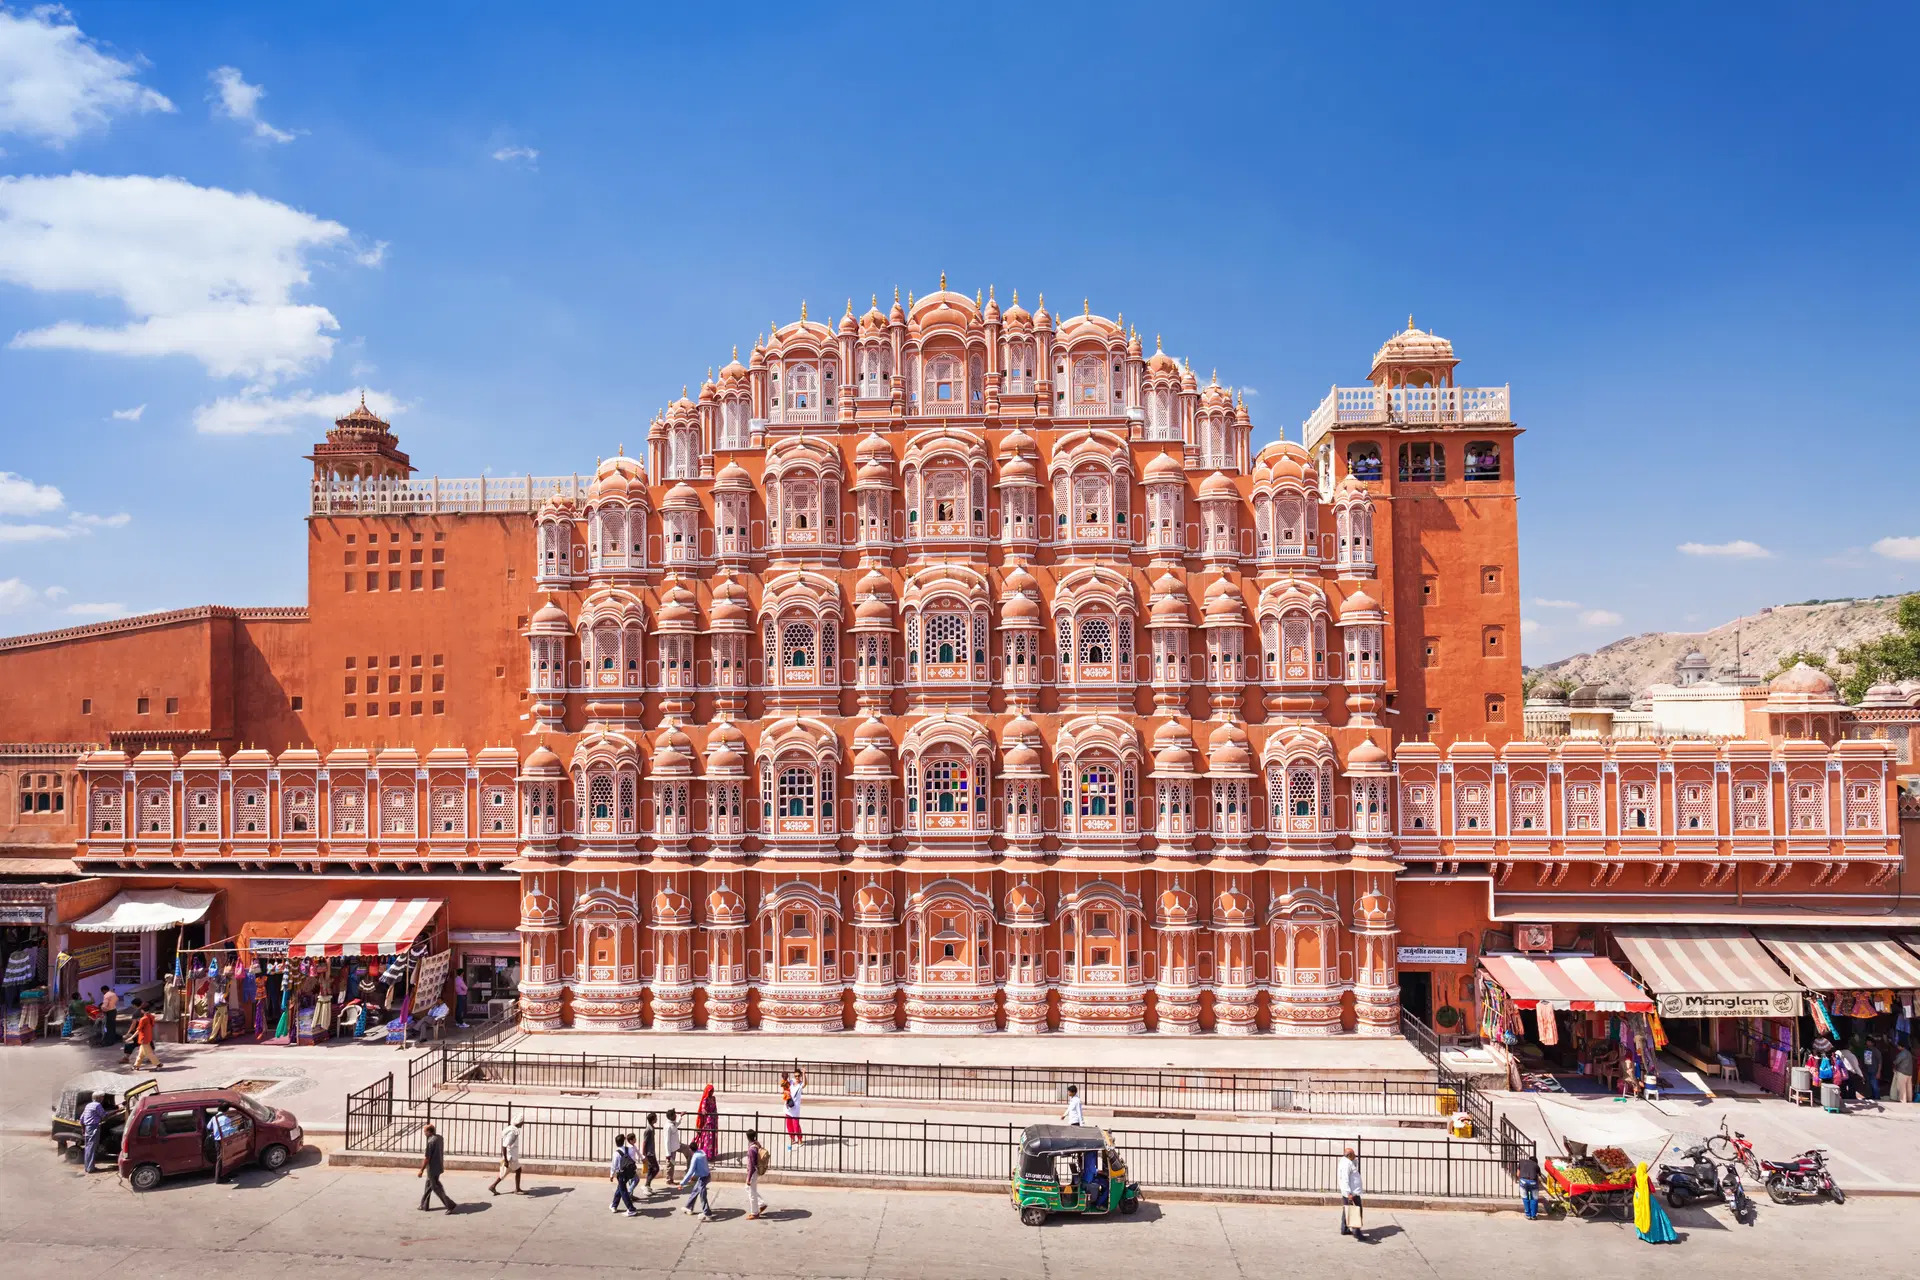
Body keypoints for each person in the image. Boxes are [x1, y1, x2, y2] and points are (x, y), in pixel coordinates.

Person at [1632, 1161, 1678, 1243]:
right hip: (1647, 1198)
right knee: (1655, 1215)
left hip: (1637, 1197)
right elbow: (1652, 1190)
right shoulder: (1646, 1177)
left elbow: (1631, 1186)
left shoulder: (1634, 1176)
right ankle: (1655, 1237)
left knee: (1640, 1215)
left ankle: (1642, 1235)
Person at [417, 1122, 457, 1212]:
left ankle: (450, 1205)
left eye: (425, 1131)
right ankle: (424, 1205)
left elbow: (427, 1158)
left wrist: (421, 1170)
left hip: (432, 1168)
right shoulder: (439, 1138)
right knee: (428, 1185)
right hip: (438, 1166)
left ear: (429, 1132)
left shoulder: (430, 1142)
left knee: (435, 1187)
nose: (424, 1133)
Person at [1337, 1144, 1366, 1241]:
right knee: (1357, 1211)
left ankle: (1344, 1228)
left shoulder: (1347, 1162)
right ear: (1349, 1155)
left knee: (1347, 1210)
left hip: (1350, 1192)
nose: (1355, 1155)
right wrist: (1349, 1193)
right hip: (1351, 1193)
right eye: (1354, 1154)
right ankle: (1357, 1232)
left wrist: (1354, 1160)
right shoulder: (1346, 1164)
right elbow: (1345, 1179)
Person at [488, 1117, 524, 1195]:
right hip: (510, 1157)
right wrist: (506, 1160)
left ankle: (493, 1186)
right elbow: (504, 1146)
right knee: (517, 1170)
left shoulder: (512, 1129)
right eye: (522, 1122)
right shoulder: (512, 1132)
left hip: (510, 1156)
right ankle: (517, 1189)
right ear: (518, 1123)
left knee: (504, 1173)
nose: (523, 1124)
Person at [207, 1106, 242, 1184]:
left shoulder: (214, 1117)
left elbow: (209, 1126)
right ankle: (218, 1178)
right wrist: (237, 1126)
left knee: (224, 1157)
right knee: (223, 1158)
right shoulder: (226, 1119)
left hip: (217, 1141)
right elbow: (229, 1130)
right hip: (224, 1140)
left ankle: (228, 1173)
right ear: (226, 1110)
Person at [679, 1142, 713, 1220]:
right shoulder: (702, 1152)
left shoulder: (695, 1157)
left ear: (690, 1150)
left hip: (703, 1178)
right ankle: (689, 1207)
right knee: (695, 1190)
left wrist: (682, 1183)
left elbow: (690, 1171)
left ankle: (707, 1213)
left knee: (702, 1196)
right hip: (706, 1175)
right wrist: (694, 1176)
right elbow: (700, 1166)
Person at [80, 1092, 111, 1174]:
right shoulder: (98, 1105)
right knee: (91, 1148)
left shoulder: (88, 1105)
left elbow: (81, 1119)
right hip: (93, 1127)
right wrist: (112, 1112)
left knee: (88, 1148)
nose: (103, 1099)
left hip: (87, 1128)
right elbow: (104, 1115)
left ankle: (88, 1167)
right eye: (102, 1097)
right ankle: (90, 1168)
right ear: (99, 1098)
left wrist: (83, 1129)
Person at [610, 1133, 640, 1215]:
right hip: (628, 1172)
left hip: (621, 1174)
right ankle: (614, 1205)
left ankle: (631, 1209)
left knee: (623, 1191)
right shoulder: (628, 1149)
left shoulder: (616, 1153)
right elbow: (633, 1159)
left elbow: (614, 1165)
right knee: (620, 1188)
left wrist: (611, 1175)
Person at [745, 1127, 767, 1220]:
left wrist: (748, 1179)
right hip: (756, 1171)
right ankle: (761, 1204)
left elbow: (751, 1166)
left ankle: (755, 1213)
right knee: (749, 1189)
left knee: (751, 1193)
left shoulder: (751, 1150)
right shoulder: (756, 1144)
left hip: (753, 1172)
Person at [781, 1068, 806, 1150]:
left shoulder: (801, 1084)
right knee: (789, 1124)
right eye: (796, 1076)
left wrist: (804, 1073)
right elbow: (785, 1085)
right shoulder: (791, 1081)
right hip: (788, 1106)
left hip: (795, 1108)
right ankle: (792, 1138)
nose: (797, 1077)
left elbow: (805, 1084)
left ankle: (800, 1140)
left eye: (798, 1076)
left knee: (796, 1125)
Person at [129, 999, 158, 1069]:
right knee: (141, 1053)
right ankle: (136, 1065)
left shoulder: (143, 1019)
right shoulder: (151, 1017)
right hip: (148, 1036)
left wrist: (130, 1037)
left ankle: (158, 1064)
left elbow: (138, 1030)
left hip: (143, 1037)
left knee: (149, 1053)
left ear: (142, 1010)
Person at [696, 1083, 719, 1161]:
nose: (711, 1093)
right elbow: (703, 1109)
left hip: (713, 1120)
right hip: (708, 1121)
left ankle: (712, 1154)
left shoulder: (713, 1098)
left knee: (712, 1136)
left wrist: (715, 1115)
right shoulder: (705, 1099)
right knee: (708, 1138)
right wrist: (706, 1112)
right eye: (710, 1091)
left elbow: (715, 1107)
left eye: (712, 1091)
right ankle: (706, 1154)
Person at [1516, 1150, 1541, 1220]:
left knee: (1525, 1198)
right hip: (1533, 1182)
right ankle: (1533, 1215)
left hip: (1523, 1181)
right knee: (1534, 1199)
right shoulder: (1536, 1165)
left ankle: (1528, 1214)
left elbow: (1518, 1174)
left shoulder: (1522, 1162)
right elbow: (1538, 1178)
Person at [641, 1113, 661, 1193]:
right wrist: (643, 1152)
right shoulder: (648, 1130)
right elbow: (644, 1142)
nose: (657, 1119)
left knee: (650, 1169)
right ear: (653, 1120)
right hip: (649, 1153)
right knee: (656, 1169)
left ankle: (647, 1185)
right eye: (656, 1118)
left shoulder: (652, 1128)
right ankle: (647, 1184)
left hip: (652, 1151)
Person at [1892, 1040, 1915, 1104]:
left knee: (1902, 1087)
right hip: (1909, 1073)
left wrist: (1893, 1064)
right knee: (1909, 1087)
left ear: (1901, 1046)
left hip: (1902, 1072)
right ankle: (1909, 1099)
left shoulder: (1902, 1053)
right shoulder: (1909, 1053)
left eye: (1898, 1046)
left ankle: (1903, 1100)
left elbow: (1896, 1062)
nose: (1897, 1047)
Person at [662, 1109, 682, 1183]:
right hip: (671, 1150)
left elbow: (677, 1124)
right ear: (671, 1116)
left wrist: (680, 1116)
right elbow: (666, 1141)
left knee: (672, 1164)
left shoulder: (672, 1124)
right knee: (670, 1165)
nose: (675, 1115)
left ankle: (670, 1179)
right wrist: (668, 1154)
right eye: (674, 1115)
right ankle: (669, 1180)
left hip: (675, 1146)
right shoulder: (668, 1126)